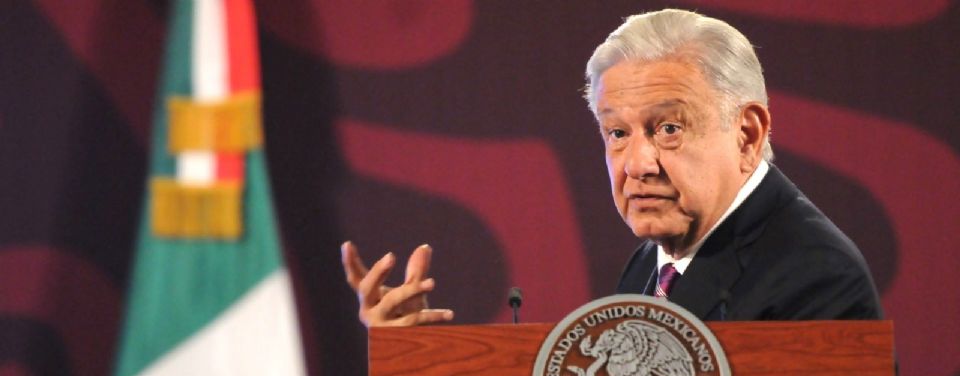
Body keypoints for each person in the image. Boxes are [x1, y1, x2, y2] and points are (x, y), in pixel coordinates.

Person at [341, 8, 881, 325]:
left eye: (669, 128)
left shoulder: (812, 276)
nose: (638, 164)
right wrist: (414, 365)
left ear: (747, 134)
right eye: (618, 133)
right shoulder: (655, 262)